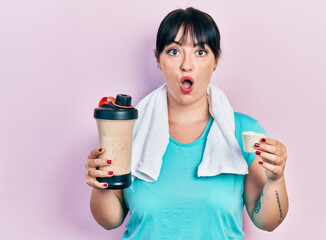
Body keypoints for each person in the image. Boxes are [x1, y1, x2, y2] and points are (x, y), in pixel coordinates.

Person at [85, 7, 288, 239]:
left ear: (216, 59)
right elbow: (110, 220)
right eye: (174, 51)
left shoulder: (242, 132)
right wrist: (99, 183)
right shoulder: (129, 130)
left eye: (200, 52)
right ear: (158, 59)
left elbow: (267, 221)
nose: (186, 65)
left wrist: (276, 178)